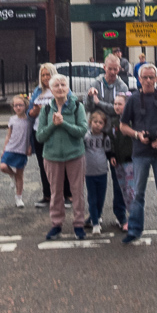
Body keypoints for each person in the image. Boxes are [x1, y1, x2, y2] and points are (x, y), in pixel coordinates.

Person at [119, 64, 157, 245]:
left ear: (156, 79)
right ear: (139, 79)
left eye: (151, 77)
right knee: (138, 193)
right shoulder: (133, 99)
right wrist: (137, 135)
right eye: (144, 77)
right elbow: (123, 126)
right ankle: (134, 230)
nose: (148, 81)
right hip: (140, 152)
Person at [40, 74, 89, 240]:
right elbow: (40, 136)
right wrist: (53, 126)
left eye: (63, 85)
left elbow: (82, 131)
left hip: (75, 154)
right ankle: (56, 224)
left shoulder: (77, 107)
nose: (60, 88)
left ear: (68, 88)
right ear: (51, 90)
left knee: (77, 191)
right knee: (56, 192)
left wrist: (64, 123)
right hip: (52, 156)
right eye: (56, 86)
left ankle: (79, 224)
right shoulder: (46, 109)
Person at [86, 55, 131, 224]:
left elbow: (118, 110)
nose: (112, 72)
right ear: (104, 67)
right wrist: (91, 98)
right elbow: (88, 107)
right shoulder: (95, 84)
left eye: (116, 69)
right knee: (95, 181)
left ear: (119, 69)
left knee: (119, 180)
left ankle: (120, 216)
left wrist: (99, 102)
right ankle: (94, 215)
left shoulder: (122, 85)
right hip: (96, 137)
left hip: (114, 139)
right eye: (110, 68)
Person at [28, 63, 59, 208]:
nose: (46, 77)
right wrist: (34, 111)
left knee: (58, 164)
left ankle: (64, 196)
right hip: (38, 132)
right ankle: (47, 196)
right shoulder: (37, 91)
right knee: (43, 165)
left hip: (55, 132)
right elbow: (30, 113)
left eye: (48, 74)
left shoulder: (59, 88)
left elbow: (68, 107)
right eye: (43, 75)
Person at [1, 95, 33, 208]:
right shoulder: (12, 119)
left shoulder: (29, 120)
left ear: (25, 106)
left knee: (20, 174)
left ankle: (19, 198)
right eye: (16, 105)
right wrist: (4, 148)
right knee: (3, 167)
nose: (18, 107)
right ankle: (12, 175)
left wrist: (30, 146)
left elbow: (31, 136)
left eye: (20, 105)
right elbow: (8, 135)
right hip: (11, 148)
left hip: (22, 150)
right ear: (13, 107)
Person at [84, 110, 113, 235]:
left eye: (100, 123)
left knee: (101, 197)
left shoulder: (105, 137)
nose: (97, 125)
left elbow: (108, 152)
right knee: (92, 198)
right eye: (95, 122)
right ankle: (95, 223)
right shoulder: (85, 137)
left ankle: (95, 216)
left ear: (104, 125)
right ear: (90, 122)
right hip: (89, 172)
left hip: (102, 171)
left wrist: (112, 158)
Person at [109, 94, 135, 231]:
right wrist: (111, 155)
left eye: (120, 104)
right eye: (115, 104)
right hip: (117, 162)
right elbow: (111, 141)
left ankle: (133, 218)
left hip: (130, 161)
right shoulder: (113, 122)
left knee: (131, 190)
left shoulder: (132, 121)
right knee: (121, 189)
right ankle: (122, 218)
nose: (117, 106)